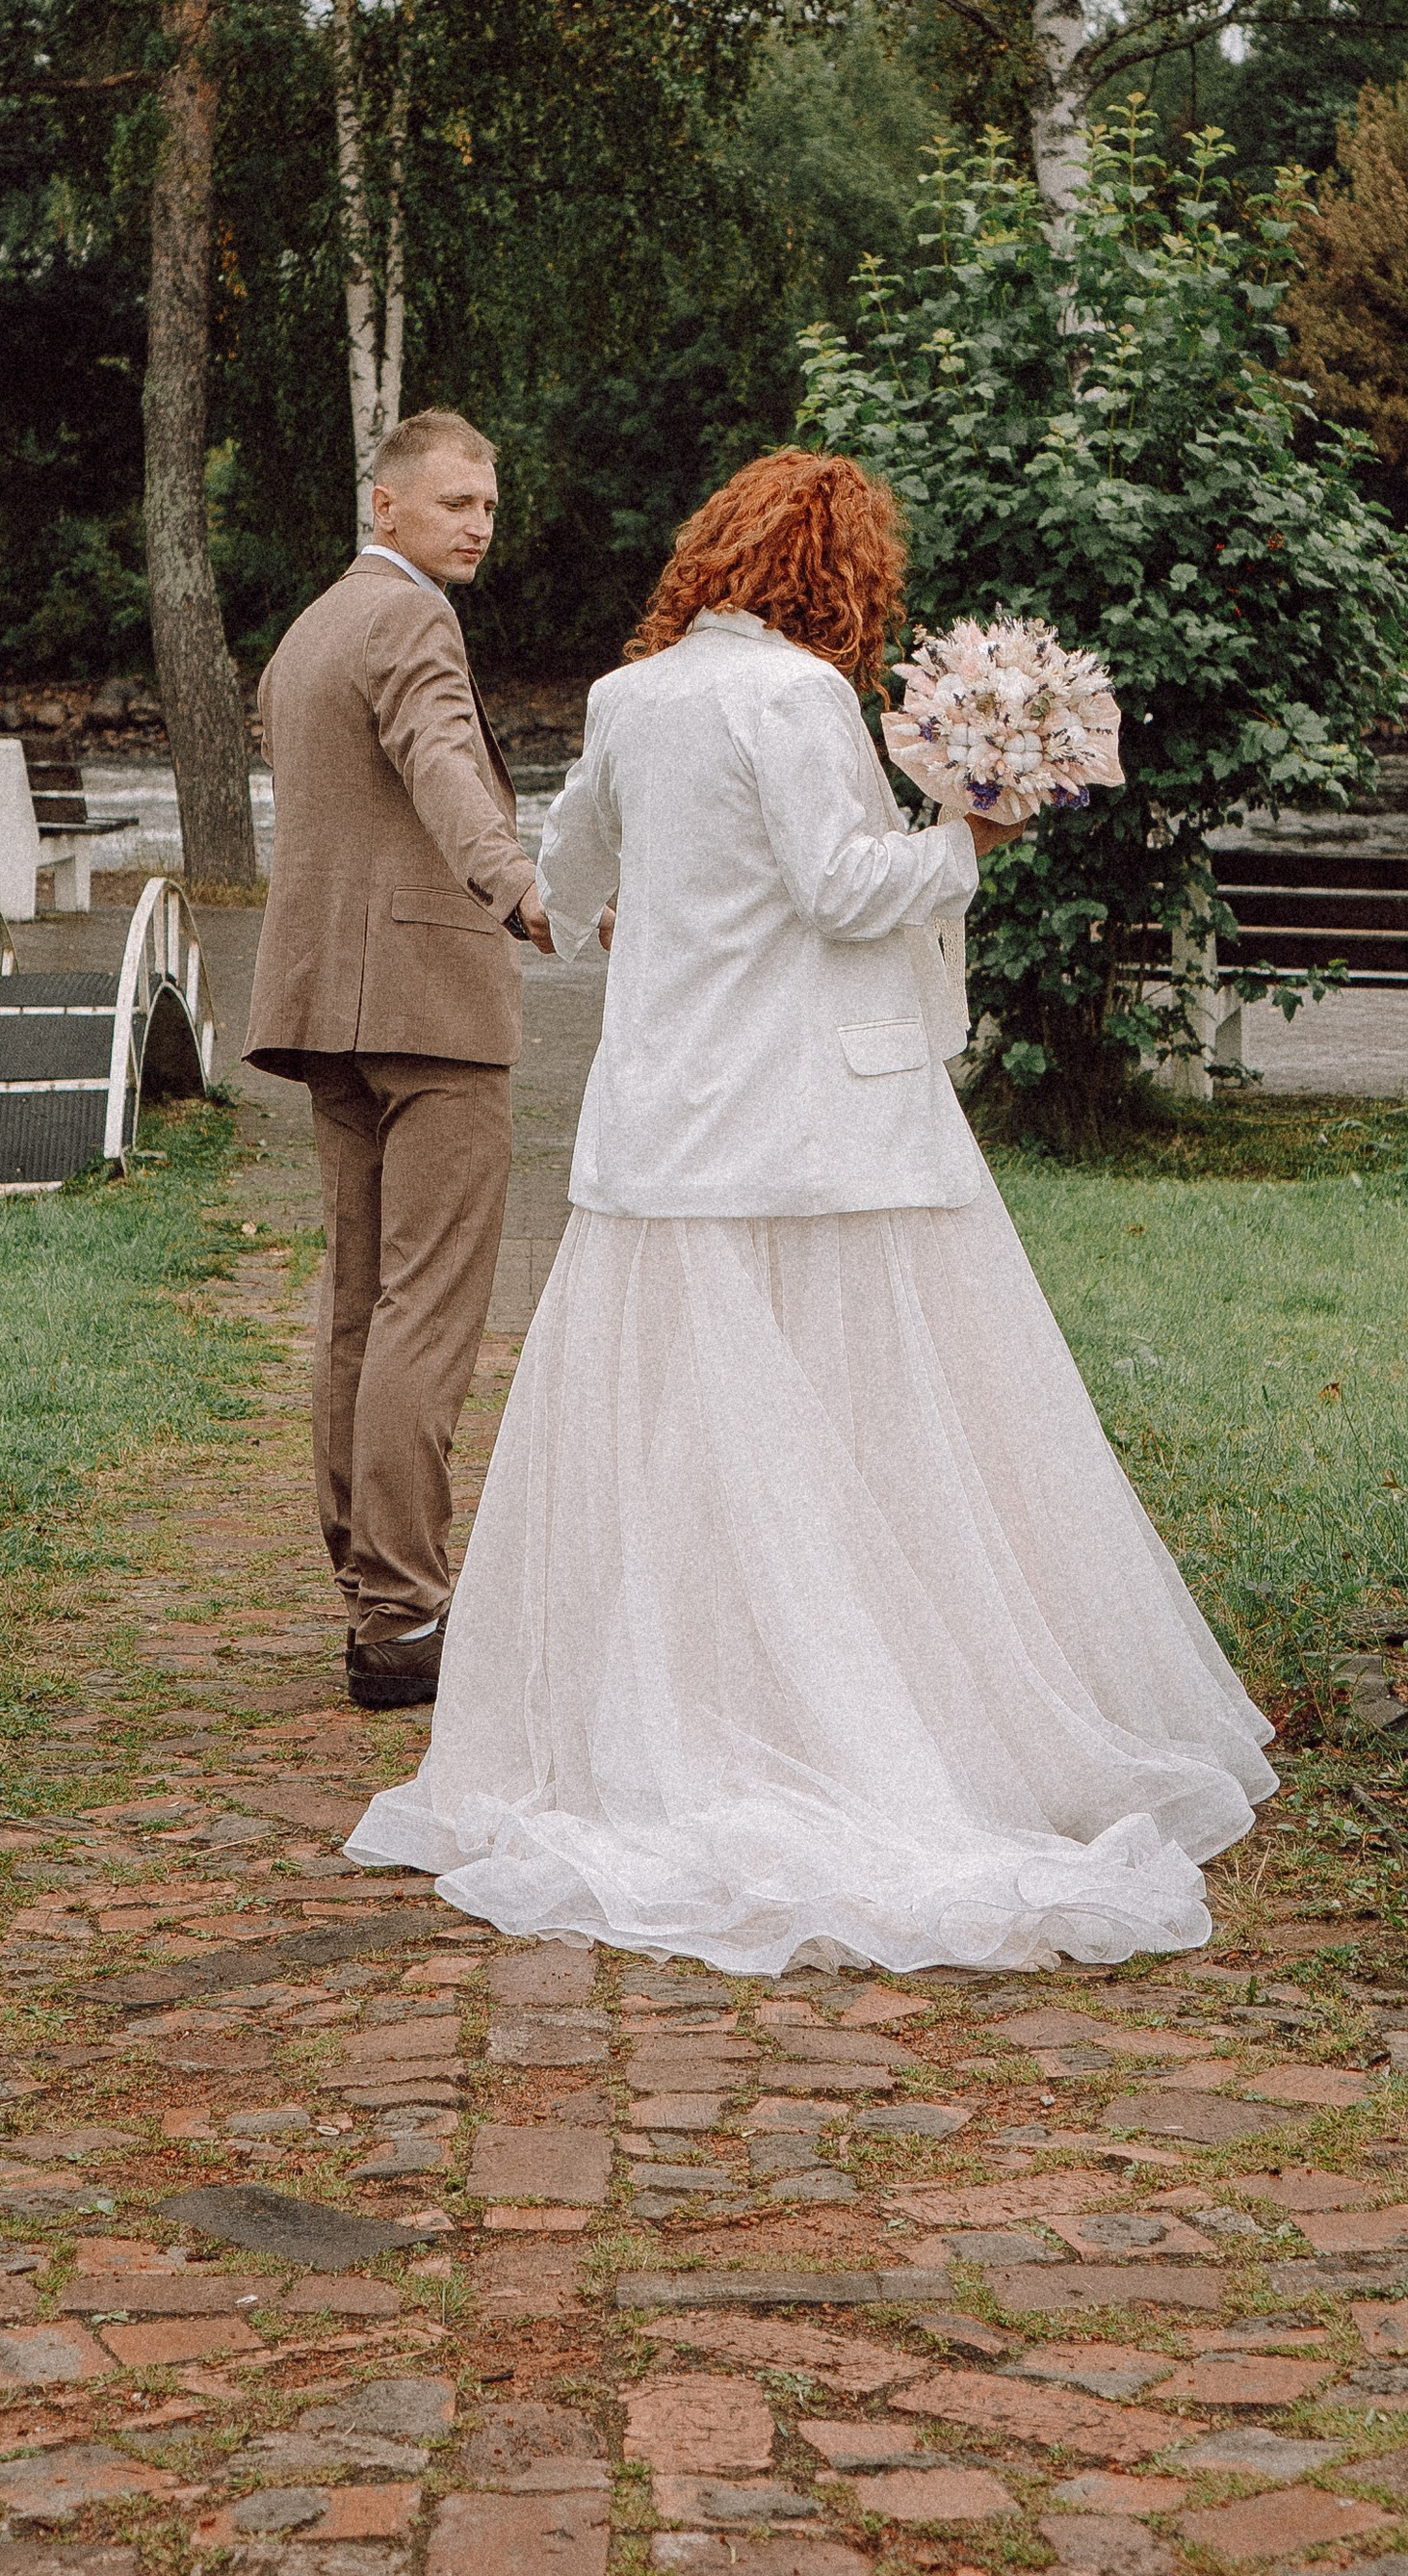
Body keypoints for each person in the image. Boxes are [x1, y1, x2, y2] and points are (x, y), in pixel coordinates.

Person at [346, 448, 1275, 1968]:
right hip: (822, 1125)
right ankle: (847, 1705)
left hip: (664, 1123)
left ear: (716, 552)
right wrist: (969, 837)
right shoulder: (798, 699)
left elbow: (570, 876)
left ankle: (689, 1700)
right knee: (866, 1416)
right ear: (835, 577)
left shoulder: (626, 699)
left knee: (689, 1431)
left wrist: (659, 912)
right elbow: (846, 891)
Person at [245, 409, 552, 1714]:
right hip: (426, 1007)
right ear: (387, 505)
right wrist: (520, 885)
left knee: (363, 1308)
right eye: (453, 504)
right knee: (425, 1310)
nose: (477, 523)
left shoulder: (310, 628)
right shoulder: (412, 622)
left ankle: (371, 1600)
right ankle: (407, 1612)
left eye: (487, 505)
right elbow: (438, 763)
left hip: (326, 1006)